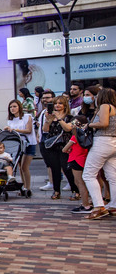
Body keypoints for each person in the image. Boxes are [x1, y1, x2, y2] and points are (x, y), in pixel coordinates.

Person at [82, 87, 116, 220]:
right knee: (112, 175)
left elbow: (103, 123)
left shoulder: (105, 106)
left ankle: (98, 206)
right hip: (113, 142)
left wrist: (89, 125)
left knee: (88, 174)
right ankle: (113, 205)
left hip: (103, 141)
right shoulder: (114, 108)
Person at [40, 97, 78, 200]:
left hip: (65, 146)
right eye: (55, 103)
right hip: (52, 146)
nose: (57, 105)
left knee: (67, 169)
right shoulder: (51, 116)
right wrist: (48, 121)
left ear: (65, 105)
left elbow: (68, 128)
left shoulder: (71, 117)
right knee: (55, 169)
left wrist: (59, 119)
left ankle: (75, 190)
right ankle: (56, 191)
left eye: (60, 103)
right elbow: (45, 130)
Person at [3, 99, 34, 197]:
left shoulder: (27, 117)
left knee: (25, 166)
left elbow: (29, 130)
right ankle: (24, 187)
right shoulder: (10, 120)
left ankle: (28, 188)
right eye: (11, 107)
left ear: (19, 107)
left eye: (14, 106)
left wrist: (15, 129)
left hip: (29, 143)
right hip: (18, 145)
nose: (12, 109)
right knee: (20, 167)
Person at [66, 114, 93, 214]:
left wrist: (68, 148)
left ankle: (86, 205)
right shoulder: (85, 136)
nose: (72, 125)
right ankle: (86, 203)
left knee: (79, 182)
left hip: (76, 160)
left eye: (74, 123)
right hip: (82, 159)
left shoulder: (76, 137)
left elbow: (65, 149)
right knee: (80, 182)